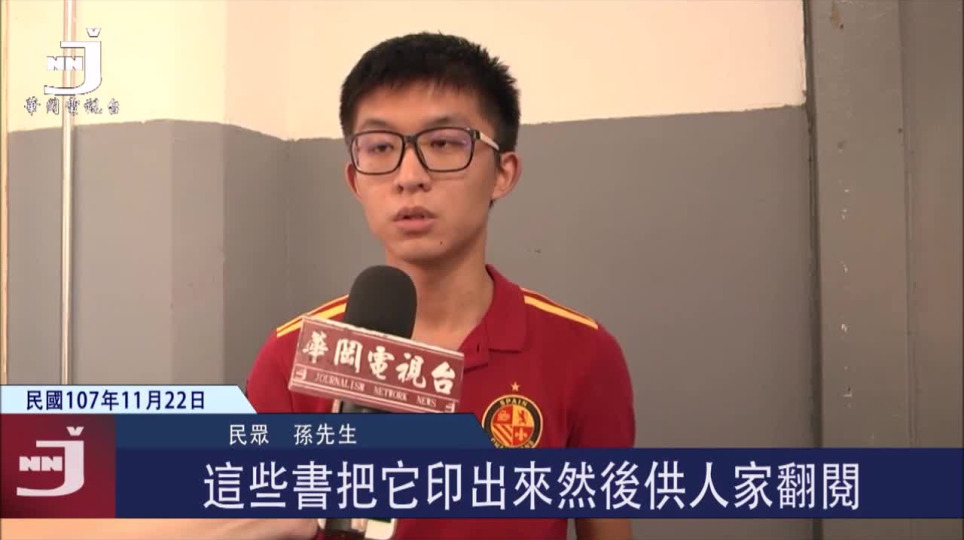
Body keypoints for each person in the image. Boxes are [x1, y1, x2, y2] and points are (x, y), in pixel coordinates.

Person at [246, 32, 635, 540]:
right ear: (355, 180)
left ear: (503, 173)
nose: (409, 176)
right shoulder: (292, 356)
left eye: (444, 143)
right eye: (380, 148)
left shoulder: (584, 353)